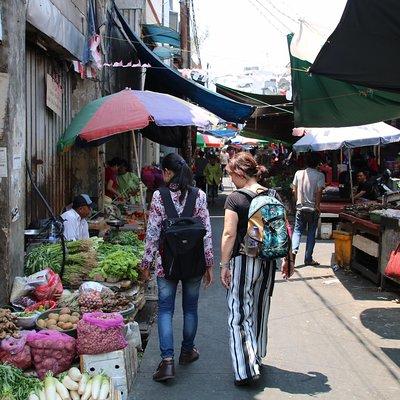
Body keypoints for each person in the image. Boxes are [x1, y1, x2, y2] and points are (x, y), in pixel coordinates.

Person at [220, 152, 293, 386]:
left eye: (232, 175)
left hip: (244, 261)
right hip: (268, 262)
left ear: (240, 173)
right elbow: (284, 228)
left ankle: (245, 369)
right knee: (260, 309)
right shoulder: (272, 194)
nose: (231, 180)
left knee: (238, 314)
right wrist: (287, 258)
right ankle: (257, 356)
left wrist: (224, 264)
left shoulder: (236, 199)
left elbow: (229, 233)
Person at [140, 153, 214, 382]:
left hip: (166, 263)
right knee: (190, 309)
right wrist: (209, 264)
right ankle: (187, 351)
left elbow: (152, 233)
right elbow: (206, 231)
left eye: (164, 171)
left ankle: (167, 362)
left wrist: (146, 263)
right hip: (193, 262)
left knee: (165, 310)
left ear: (168, 172)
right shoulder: (199, 195)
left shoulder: (159, 197)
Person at [291, 152, 325, 266]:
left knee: (297, 231)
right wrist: (317, 206)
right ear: (317, 163)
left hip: (300, 208)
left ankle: (293, 254)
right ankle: (308, 258)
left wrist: (297, 201)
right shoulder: (320, 175)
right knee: (311, 233)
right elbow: (319, 191)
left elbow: (293, 190)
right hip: (312, 209)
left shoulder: (298, 173)